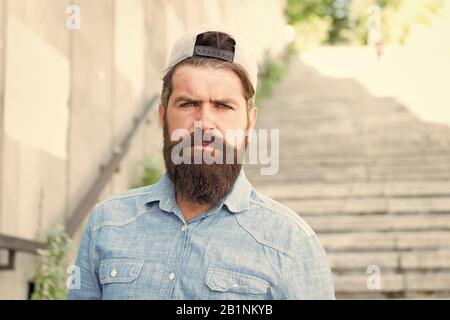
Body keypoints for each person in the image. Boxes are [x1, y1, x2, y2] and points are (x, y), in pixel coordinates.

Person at [67, 25, 335, 300]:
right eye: (188, 104)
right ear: (162, 116)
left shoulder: (291, 244)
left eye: (223, 106)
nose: (204, 123)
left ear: (249, 123)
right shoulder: (107, 222)